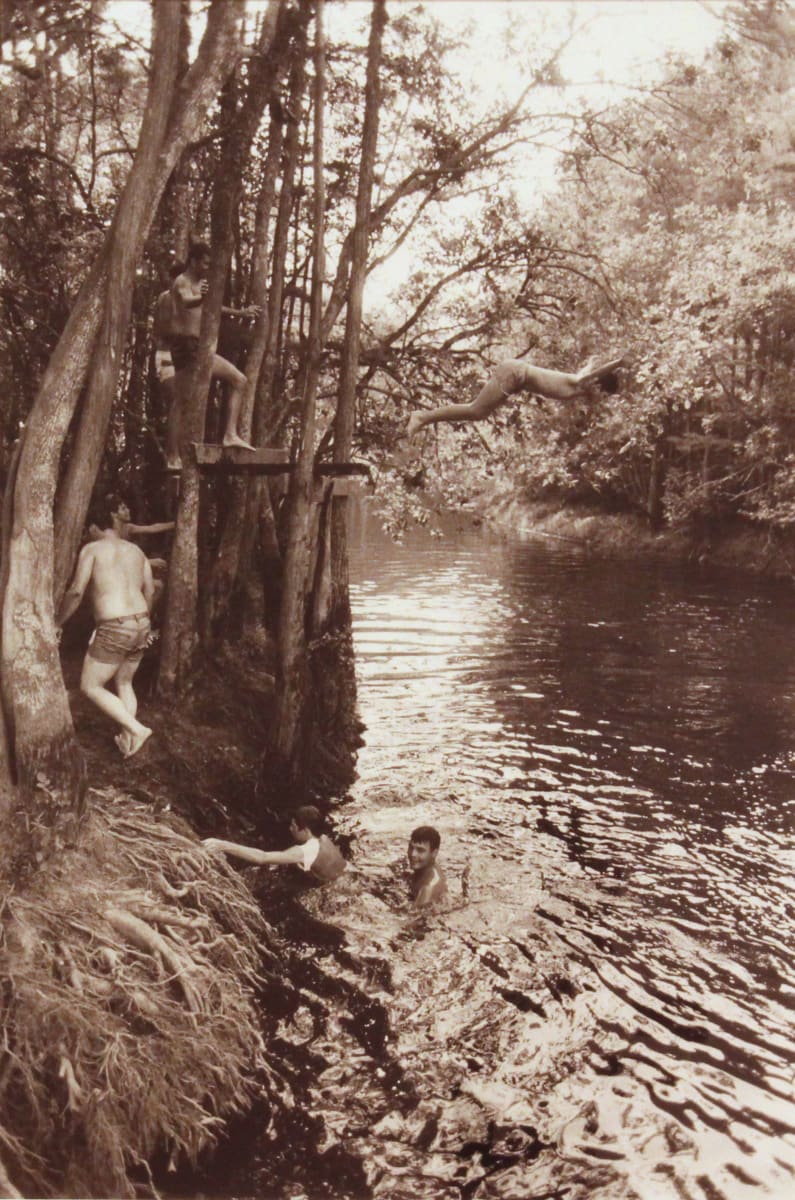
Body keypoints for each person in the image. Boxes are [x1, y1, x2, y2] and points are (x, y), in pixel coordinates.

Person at [57, 504, 155, 759]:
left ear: (94, 527)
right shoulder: (136, 550)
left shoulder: (92, 549)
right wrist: (143, 622)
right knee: (124, 681)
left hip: (116, 625)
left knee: (90, 685)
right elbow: (150, 591)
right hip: (142, 622)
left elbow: (77, 591)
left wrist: (58, 622)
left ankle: (137, 728)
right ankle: (128, 742)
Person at [169, 240, 261, 454]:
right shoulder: (183, 281)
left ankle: (172, 457)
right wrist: (199, 296)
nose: (207, 268)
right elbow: (186, 301)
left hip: (189, 347)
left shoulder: (198, 283)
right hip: (188, 347)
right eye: (204, 264)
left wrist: (241, 313)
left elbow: (210, 307)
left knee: (180, 403)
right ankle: (229, 434)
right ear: (192, 262)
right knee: (239, 380)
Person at [406, 355, 625, 438]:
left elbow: (591, 374)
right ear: (596, 384)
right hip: (516, 374)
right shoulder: (579, 383)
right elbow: (595, 374)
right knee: (476, 410)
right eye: (602, 394)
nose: (600, 398)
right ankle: (422, 417)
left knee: (478, 413)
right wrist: (619, 362)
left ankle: (423, 418)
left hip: (516, 377)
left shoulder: (579, 385)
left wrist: (593, 363)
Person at [203, 805, 347, 884]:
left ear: (305, 830)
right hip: (348, 878)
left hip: (338, 890)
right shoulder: (324, 838)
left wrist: (222, 845)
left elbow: (263, 857)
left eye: (293, 826)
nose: (290, 829)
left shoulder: (304, 851)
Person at [407, 825, 448, 908]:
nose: (413, 854)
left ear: (434, 853)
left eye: (420, 850)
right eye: (411, 847)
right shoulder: (425, 868)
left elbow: (412, 919)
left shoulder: (427, 890)